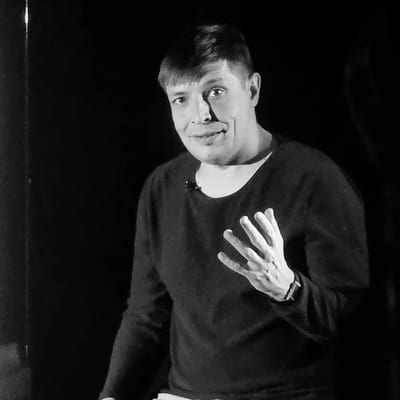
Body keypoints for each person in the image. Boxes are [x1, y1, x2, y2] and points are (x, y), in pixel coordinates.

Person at [99, 24, 369, 400]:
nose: (201, 115)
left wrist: (287, 289)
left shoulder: (313, 179)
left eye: (216, 92)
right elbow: (146, 316)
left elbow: (355, 324)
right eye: (181, 99)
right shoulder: (162, 188)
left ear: (252, 90)